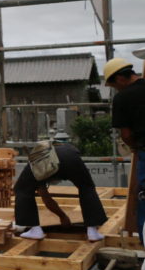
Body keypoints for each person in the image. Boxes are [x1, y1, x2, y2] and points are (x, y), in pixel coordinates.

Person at [14, 143, 107, 241]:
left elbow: (46, 199)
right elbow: (48, 200)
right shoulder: (42, 165)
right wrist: (63, 216)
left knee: (21, 189)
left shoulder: (37, 168)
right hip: (71, 157)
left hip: (58, 157)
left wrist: (62, 217)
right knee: (87, 187)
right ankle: (92, 232)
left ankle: (35, 230)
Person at [104, 56, 145, 240]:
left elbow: (126, 135)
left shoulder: (123, 98)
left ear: (120, 78)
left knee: (143, 196)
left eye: (114, 86)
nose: (116, 90)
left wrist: (135, 148)